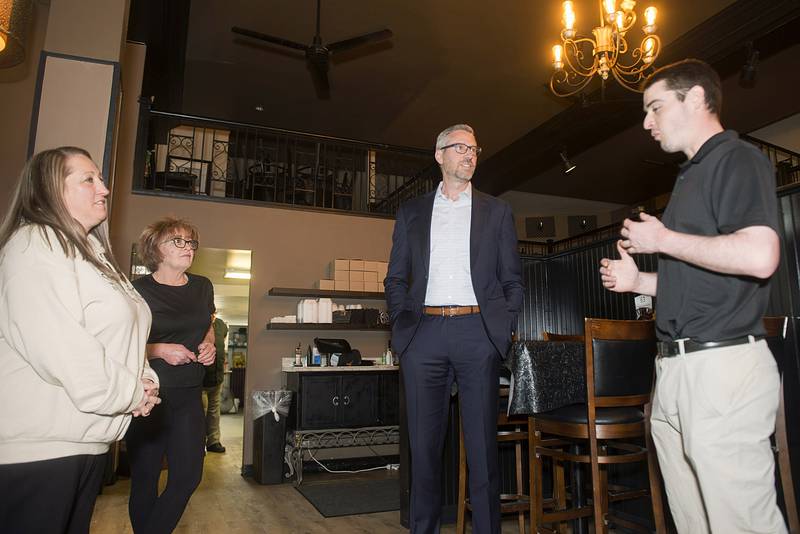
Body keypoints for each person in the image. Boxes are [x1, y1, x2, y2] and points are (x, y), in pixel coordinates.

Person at [599, 59, 786, 533]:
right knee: (694, 522)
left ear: (697, 98)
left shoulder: (737, 159)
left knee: (740, 523)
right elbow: (702, 276)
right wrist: (640, 282)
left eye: (656, 107)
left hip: (721, 369)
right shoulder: (689, 176)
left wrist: (662, 241)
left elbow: (761, 255)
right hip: (677, 370)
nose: (646, 122)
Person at [0, 147, 160, 533]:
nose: (103, 188)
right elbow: (59, 345)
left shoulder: (94, 254)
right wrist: (130, 392)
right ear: (50, 189)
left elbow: (124, 337)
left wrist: (147, 378)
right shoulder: (35, 243)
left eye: (101, 179)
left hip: (86, 445)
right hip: (38, 451)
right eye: (88, 179)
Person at [385, 124, 524, 534]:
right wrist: (401, 325)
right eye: (460, 147)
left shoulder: (496, 211)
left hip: (477, 334)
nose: (470, 155)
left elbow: (513, 280)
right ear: (440, 154)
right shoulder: (411, 213)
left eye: (475, 148)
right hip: (423, 335)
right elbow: (395, 278)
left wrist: (501, 327)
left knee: (482, 453)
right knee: (423, 454)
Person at [126, 217, 216, 533]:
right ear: (156, 249)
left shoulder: (203, 286)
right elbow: (122, 345)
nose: (187, 247)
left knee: (188, 477)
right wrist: (161, 349)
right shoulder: (136, 290)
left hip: (190, 393)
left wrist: (209, 342)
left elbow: (207, 322)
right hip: (150, 396)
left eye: (190, 242)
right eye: (178, 241)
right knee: (145, 478)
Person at [202, 315, 228, 453]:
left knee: (214, 412)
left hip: (217, 379)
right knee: (201, 412)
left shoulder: (221, 325)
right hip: (201, 380)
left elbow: (221, 343)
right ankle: (199, 444)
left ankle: (213, 441)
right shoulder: (199, 321)